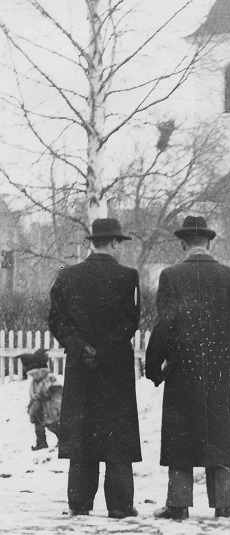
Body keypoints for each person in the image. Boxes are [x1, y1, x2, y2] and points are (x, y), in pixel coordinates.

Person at [145, 216, 230, 520]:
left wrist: (154, 366)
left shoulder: (171, 276)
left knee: (181, 436)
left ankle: (178, 504)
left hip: (182, 369)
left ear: (182, 243)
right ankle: (223, 503)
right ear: (209, 242)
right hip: (216, 372)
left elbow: (164, 325)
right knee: (216, 435)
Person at [48, 218, 142, 519]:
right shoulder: (129, 277)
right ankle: (120, 504)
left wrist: (81, 348)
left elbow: (57, 320)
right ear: (114, 243)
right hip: (115, 368)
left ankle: (79, 501)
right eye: (121, 244)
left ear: (93, 242)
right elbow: (131, 321)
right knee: (117, 437)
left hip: (81, 366)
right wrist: (104, 350)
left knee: (83, 435)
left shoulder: (68, 276)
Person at [20, 349, 62, 451]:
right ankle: (41, 442)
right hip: (38, 407)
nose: (33, 376)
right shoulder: (34, 382)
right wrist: (31, 403)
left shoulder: (49, 379)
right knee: (38, 425)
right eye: (32, 375)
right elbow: (33, 394)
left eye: (35, 374)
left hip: (49, 407)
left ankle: (63, 440)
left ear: (42, 371)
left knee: (52, 425)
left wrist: (48, 396)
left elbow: (57, 391)